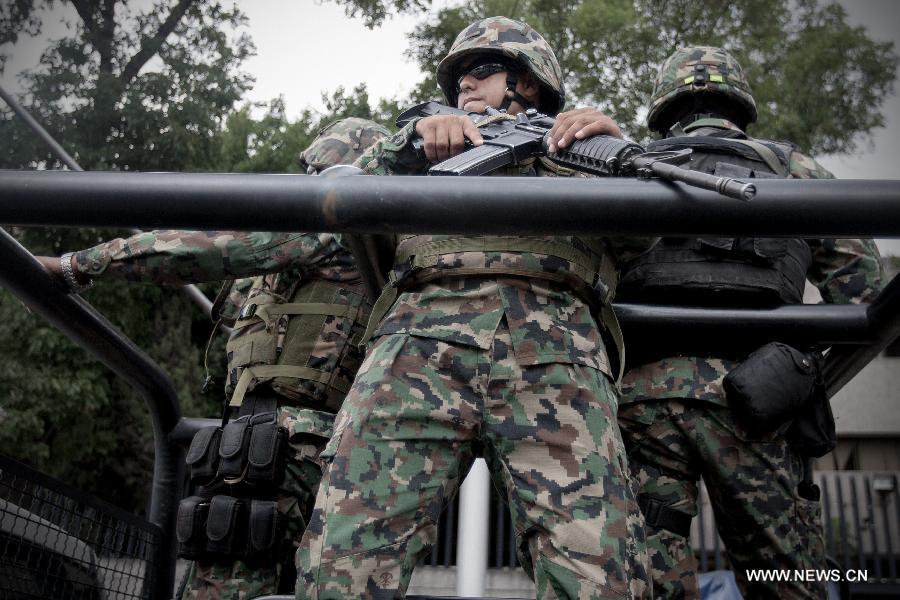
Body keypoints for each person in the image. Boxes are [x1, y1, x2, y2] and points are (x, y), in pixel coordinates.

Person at [295, 16, 651, 600]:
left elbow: (647, 243)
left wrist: (620, 151)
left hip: (556, 359)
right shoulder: (417, 156)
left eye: (480, 70)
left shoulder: (581, 152)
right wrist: (410, 144)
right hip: (415, 350)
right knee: (340, 567)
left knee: (602, 577)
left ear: (529, 82)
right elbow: (343, 202)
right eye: (456, 75)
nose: (463, 83)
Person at [37, 117, 391, 599]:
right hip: (282, 443)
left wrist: (77, 266)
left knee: (223, 584)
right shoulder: (336, 247)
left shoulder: (332, 225)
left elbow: (203, 247)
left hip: (289, 443)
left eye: (315, 174)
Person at [615, 46, 884, 599]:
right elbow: (864, 290)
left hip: (641, 398)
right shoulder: (792, 168)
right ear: (740, 105)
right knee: (786, 575)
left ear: (666, 107)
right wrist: (798, 367)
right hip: (755, 399)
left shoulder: (629, 166)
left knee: (645, 574)